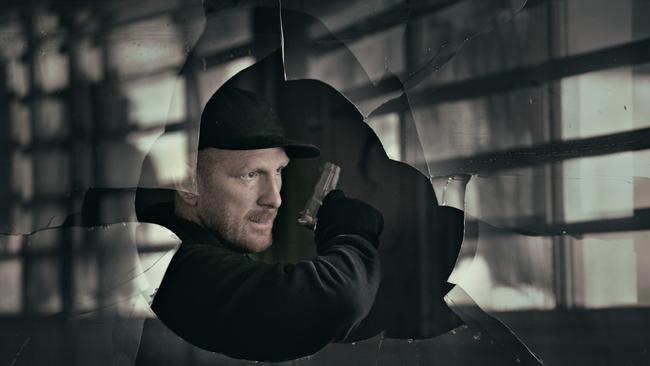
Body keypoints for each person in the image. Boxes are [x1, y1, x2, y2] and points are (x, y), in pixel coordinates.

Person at [137, 85, 385, 362]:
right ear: (187, 182)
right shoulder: (173, 266)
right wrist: (351, 233)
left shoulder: (184, 245)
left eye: (278, 171)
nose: (275, 198)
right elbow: (341, 298)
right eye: (251, 174)